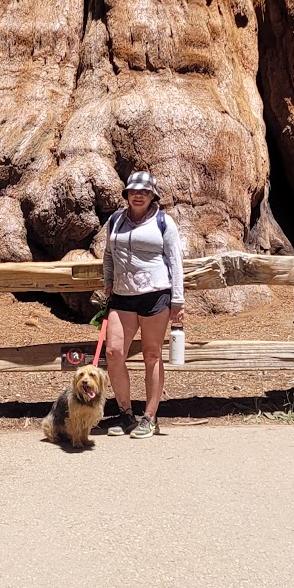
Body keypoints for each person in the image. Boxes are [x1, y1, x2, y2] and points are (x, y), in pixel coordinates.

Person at [101, 170, 184, 437]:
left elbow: (175, 262)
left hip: (154, 294)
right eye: (134, 191)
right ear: (126, 194)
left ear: (152, 196)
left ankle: (150, 416)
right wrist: (108, 281)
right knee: (114, 352)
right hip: (122, 296)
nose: (139, 196)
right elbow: (108, 255)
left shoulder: (164, 222)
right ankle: (126, 414)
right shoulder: (116, 220)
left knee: (152, 355)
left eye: (144, 192)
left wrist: (177, 301)